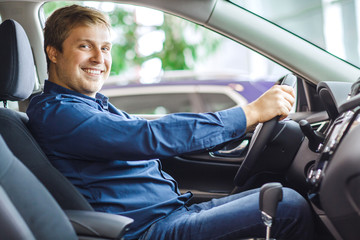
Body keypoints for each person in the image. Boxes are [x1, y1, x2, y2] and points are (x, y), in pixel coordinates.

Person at [27, 4, 313, 240]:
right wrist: (248, 114)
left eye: (105, 48)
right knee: (286, 205)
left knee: (276, 192)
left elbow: (150, 136)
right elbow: (147, 137)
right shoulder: (58, 113)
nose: (99, 58)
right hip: (146, 230)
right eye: (85, 46)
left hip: (173, 213)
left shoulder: (88, 104)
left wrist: (246, 126)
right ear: (54, 52)